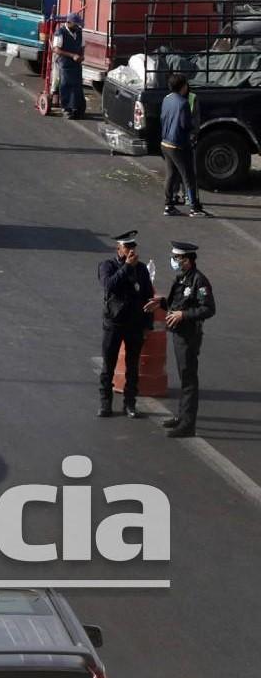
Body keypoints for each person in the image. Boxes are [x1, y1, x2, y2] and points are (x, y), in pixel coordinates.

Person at [147, 240, 213, 438]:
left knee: (189, 379)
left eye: (177, 257)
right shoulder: (182, 278)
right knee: (184, 377)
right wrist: (161, 304)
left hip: (189, 336)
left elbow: (208, 309)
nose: (174, 261)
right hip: (179, 334)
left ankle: (188, 424)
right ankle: (181, 416)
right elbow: (178, 304)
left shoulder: (198, 281)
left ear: (187, 260)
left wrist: (183, 316)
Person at [96, 230, 154, 419]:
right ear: (118, 249)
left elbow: (148, 297)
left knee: (132, 366)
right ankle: (105, 403)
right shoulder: (108, 265)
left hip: (134, 324)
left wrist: (148, 324)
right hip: (114, 323)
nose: (131, 251)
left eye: (133, 247)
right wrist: (127, 267)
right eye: (127, 247)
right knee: (108, 366)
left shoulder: (142, 269)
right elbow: (109, 285)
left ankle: (130, 403)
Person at [160, 73, 208, 216]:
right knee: (189, 177)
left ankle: (169, 206)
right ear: (183, 86)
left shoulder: (166, 99)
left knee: (171, 175)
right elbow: (185, 125)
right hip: (179, 144)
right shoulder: (183, 103)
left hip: (165, 142)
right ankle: (195, 208)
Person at [53, 12, 84, 118]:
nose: (77, 26)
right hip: (64, 62)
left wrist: (81, 56)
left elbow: (82, 46)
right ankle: (66, 108)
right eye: (75, 24)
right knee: (66, 85)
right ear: (69, 23)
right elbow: (56, 49)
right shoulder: (60, 32)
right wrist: (72, 55)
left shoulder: (79, 32)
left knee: (77, 85)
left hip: (76, 63)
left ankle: (77, 108)